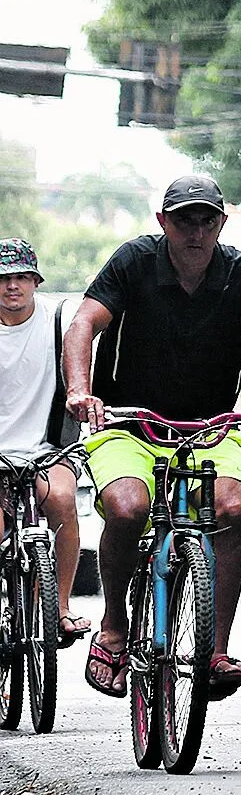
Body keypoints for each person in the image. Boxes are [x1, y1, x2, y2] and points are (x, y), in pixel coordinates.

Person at [63, 175, 241, 700]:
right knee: (128, 508)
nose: (195, 230)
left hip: (209, 427)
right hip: (129, 423)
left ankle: (215, 652)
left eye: (206, 219)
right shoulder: (134, 262)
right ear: (163, 222)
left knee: (232, 508)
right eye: (184, 219)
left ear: (221, 224)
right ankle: (114, 629)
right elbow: (82, 325)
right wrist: (81, 390)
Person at [0, 239, 88, 644]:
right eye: (3, 279)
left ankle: (60, 606)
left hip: (50, 447)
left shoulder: (59, 319)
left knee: (61, 500)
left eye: (20, 277)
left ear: (36, 281)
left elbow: (85, 362)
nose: (11, 286)